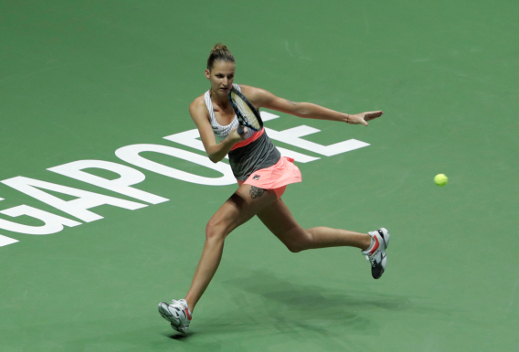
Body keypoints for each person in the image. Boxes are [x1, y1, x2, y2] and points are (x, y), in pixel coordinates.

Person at [158, 43, 387, 334]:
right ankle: (371, 241)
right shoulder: (199, 108)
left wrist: (348, 116)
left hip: (269, 172)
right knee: (297, 240)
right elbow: (214, 154)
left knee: (216, 227)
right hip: (249, 178)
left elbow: (296, 108)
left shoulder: (248, 95)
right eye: (219, 77)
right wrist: (230, 140)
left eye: (230, 76)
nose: (226, 82)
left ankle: (186, 308)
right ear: (207, 74)